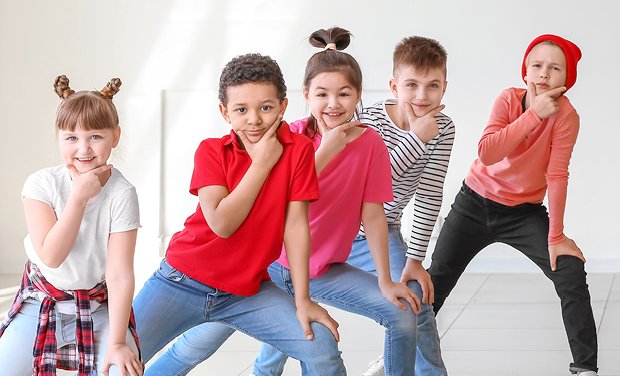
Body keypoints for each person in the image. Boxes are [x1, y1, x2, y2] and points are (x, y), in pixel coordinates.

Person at [146, 27, 422, 376]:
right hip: (235, 271)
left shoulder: (345, 146)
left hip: (293, 272)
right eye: (322, 94)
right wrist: (321, 150)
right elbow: (237, 215)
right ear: (306, 95)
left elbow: (358, 217)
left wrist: (382, 279)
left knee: (324, 339)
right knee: (190, 349)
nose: (333, 104)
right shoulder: (255, 141)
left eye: (344, 93)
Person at [131, 53, 346, 376]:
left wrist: (303, 300)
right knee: (118, 361)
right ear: (224, 112)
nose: (254, 120)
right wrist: (262, 163)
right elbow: (222, 224)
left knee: (320, 344)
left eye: (266, 107)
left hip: (246, 292)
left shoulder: (299, 150)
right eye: (241, 110)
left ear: (283, 107)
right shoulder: (211, 151)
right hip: (182, 280)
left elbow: (296, 225)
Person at [427, 34, 598, 376]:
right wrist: (533, 114)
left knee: (569, 271)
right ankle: (399, 354)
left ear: (567, 79)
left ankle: (586, 367)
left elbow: (557, 174)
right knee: (435, 283)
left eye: (554, 68)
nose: (543, 74)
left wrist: (556, 236)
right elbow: (489, 153)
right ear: (525, 70)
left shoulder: (567, 117)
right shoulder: (508, 99)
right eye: (536, 65)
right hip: (473, 204)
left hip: (523, 213)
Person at [0, 76, 142, 376]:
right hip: (41, 303)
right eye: (72, 138)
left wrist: (117, 342)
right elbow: (52, 256)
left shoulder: (122, 192)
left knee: (123, 369)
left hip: (97, 307)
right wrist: (78, 198)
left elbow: (118, 275)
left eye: (95, 137)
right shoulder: (41, 184)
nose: (83, 149)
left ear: (115, 136)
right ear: (59, 138)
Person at [347, 35, 453, 376]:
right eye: (411, 85)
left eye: (432, 86)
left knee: (416, 301)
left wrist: (415, 259)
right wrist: (416, 138)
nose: (422, 96)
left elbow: (429, 194)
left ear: (444, 87)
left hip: (382, 231)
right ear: (394, 85)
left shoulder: (444, 128)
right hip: (338, 228)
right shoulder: (370, 119)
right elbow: (371, 187)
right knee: (286, 298)